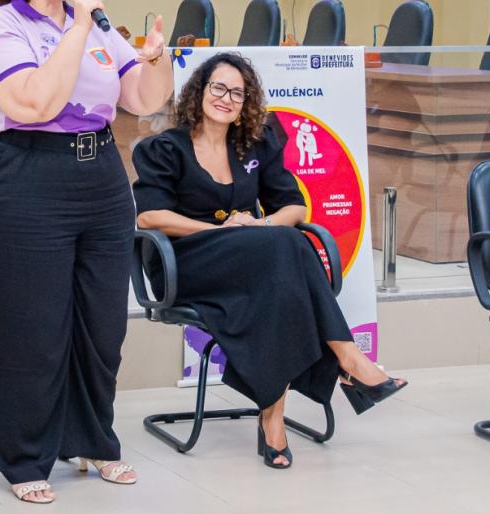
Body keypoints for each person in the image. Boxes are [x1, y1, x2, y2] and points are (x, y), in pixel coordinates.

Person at [0, 0, 174, 504]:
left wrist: (157, 59)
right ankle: (25, 458)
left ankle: (92, 441)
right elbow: (35, 103)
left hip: (100, 177)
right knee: (31, 332)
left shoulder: (98, 27)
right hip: (26, 181)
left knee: (102, 327)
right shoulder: (3, 27)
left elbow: (144, 99)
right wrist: (78, 26)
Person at [131, 52, 407, 470]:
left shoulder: (256, 145)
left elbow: (294, 207)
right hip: (187, 262)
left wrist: (258, 225)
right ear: (199, 92)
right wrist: (223, 232)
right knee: (284, 248)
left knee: (279, 275)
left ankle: (273, 420)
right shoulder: (165, 148)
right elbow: (150, 217)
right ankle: (346, 360)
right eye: (218, 88)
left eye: (237, 93)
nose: (226, 99)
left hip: (252, 263)